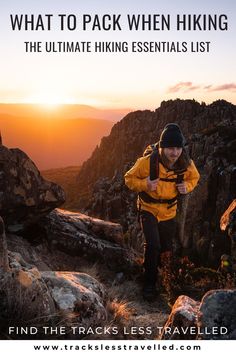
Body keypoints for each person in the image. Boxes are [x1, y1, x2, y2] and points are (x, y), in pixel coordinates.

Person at [124, 123, 200, 301]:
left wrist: (186, 186)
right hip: (148, 209)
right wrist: (145, 185)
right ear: (162, 147)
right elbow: (129, 178)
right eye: (170, 148)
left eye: (178, 148)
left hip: (169, 211)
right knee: (153, 245)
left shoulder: (186, 164)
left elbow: (195, 178)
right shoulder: (147, 162)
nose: (174, 153)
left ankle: (165, 280)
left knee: (166, 248)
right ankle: (149, 283)